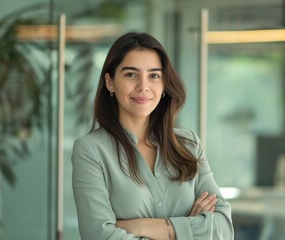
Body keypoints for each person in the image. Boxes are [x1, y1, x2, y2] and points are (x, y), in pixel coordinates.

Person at [71, 32, 234, 240]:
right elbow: (98, 235)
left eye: (154, 75)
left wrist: (142, 227)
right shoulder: (90, 149)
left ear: (164, 84)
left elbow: (224, 229)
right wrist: (190, 229)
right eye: (131, 74)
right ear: (110, 82)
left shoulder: (189, 144)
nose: (143, 86)